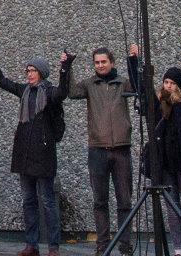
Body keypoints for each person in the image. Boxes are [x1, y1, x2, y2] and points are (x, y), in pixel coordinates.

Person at [0, 42, 69, 256]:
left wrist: (65, 68)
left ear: (42, 73)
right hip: (24, 155)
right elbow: (3, 81)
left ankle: (53, 247)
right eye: (28, 70)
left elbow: (63, 91)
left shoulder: (50, 93)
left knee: (48, 202)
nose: (30, 74)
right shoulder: (24, 91)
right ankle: (31, 245)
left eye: (33, 70)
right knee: (28, 201)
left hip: (43, 156)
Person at [65, 46, 136, 256]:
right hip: (97, 150)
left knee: (124, 200)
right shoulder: (90, 84)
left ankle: (125, 245)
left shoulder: (122, 83)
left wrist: (134, 60)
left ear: (111, 62)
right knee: (100, 201)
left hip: (121, 149)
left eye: (103, 62)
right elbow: (71, 92)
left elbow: (140, 86)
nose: (100, 65)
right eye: (96, 62)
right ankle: (102, 246)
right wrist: (67, 66)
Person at [132, 50, 181, 256]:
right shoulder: (158, 105)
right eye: (166, 82)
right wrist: (135, 60)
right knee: (172, 209)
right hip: (166, 164)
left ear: (179, 86)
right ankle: (178, 248)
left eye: (172, 83)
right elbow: (143, 88)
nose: (168, 86)